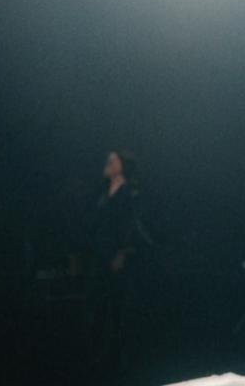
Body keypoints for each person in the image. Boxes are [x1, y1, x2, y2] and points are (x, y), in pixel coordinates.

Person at [89, 148, 151, 378]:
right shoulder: (104, 192)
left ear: (122, 166)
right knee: (99, 307)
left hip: (118, 257)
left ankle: (120, 361)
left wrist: (122, 253)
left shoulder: (130, 193)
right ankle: (99, 358)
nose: (107, 162)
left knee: (118, 309)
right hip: (101, 255)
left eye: (112, 160)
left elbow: (129, 225)